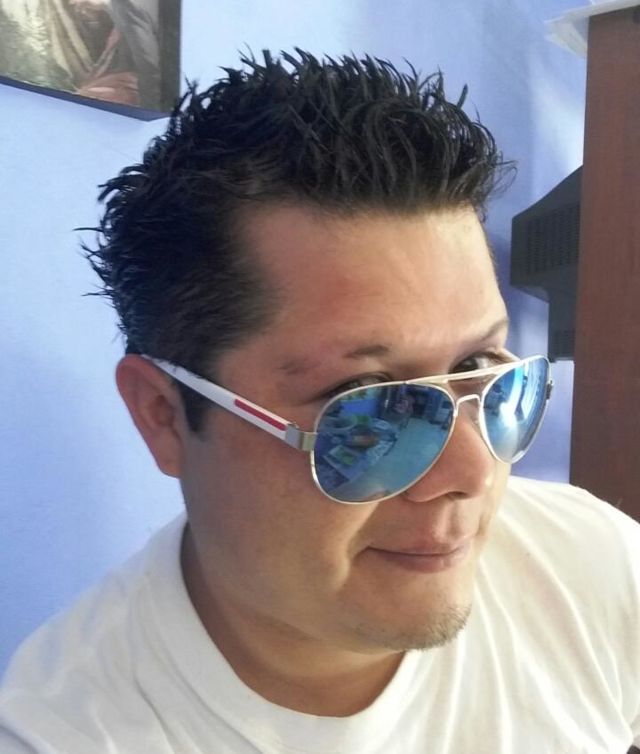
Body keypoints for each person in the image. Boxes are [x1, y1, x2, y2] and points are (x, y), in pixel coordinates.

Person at [1, 50, 639, 753]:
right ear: (164, 416)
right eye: (366, 406)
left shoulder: (587, 559)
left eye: (480, 369)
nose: (472, 473)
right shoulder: (64, 733)